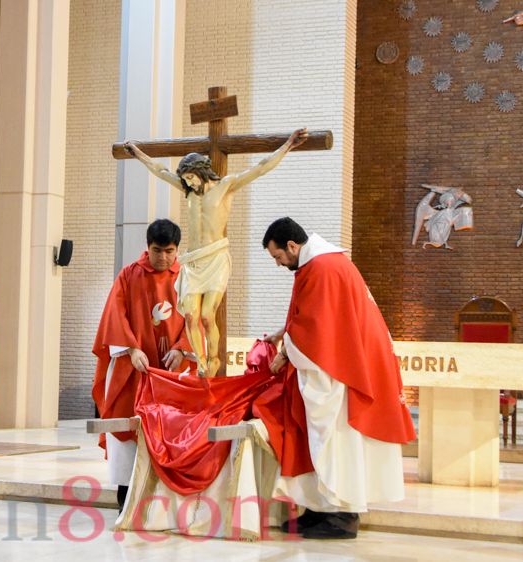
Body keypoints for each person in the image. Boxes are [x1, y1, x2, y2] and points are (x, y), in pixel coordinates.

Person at [261, 217, 415, 539]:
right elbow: (310, 318)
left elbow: (317, 330)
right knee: (325, 438)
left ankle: (343, 514)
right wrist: (283, 334)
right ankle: (320, 508)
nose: (278, 264)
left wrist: (285, 351)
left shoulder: (322, 269)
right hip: (346, 363)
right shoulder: (320, 263)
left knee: (339, 436)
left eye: (278, 257)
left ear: (292, 246)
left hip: (344, 371)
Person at [124, 128, 308, 376]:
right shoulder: (189, 190)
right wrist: (138, 154)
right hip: (194, 261)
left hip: (215, 258)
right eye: (185, 179)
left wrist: (287, 145)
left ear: (200, 172)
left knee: (208, 316)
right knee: (190, 315)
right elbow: (160, 171)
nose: (187, 183)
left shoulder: (226, 186)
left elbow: (261, 167)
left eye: (190, 178)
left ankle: (213, 360)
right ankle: (201, 363)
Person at [92, 219, 193, 510]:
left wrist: (183, 348)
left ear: (178, 249)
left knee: (170, 431)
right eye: (157, 251)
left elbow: (196, 318)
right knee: (128, 429)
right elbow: (115, 314)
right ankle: (126, 499)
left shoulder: (186, 278)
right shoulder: (129, 275)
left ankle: (166, 501)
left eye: (170, 251)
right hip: (134, 368)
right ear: (147, 248)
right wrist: (131, 348)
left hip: (171, 370)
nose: (163, 258)